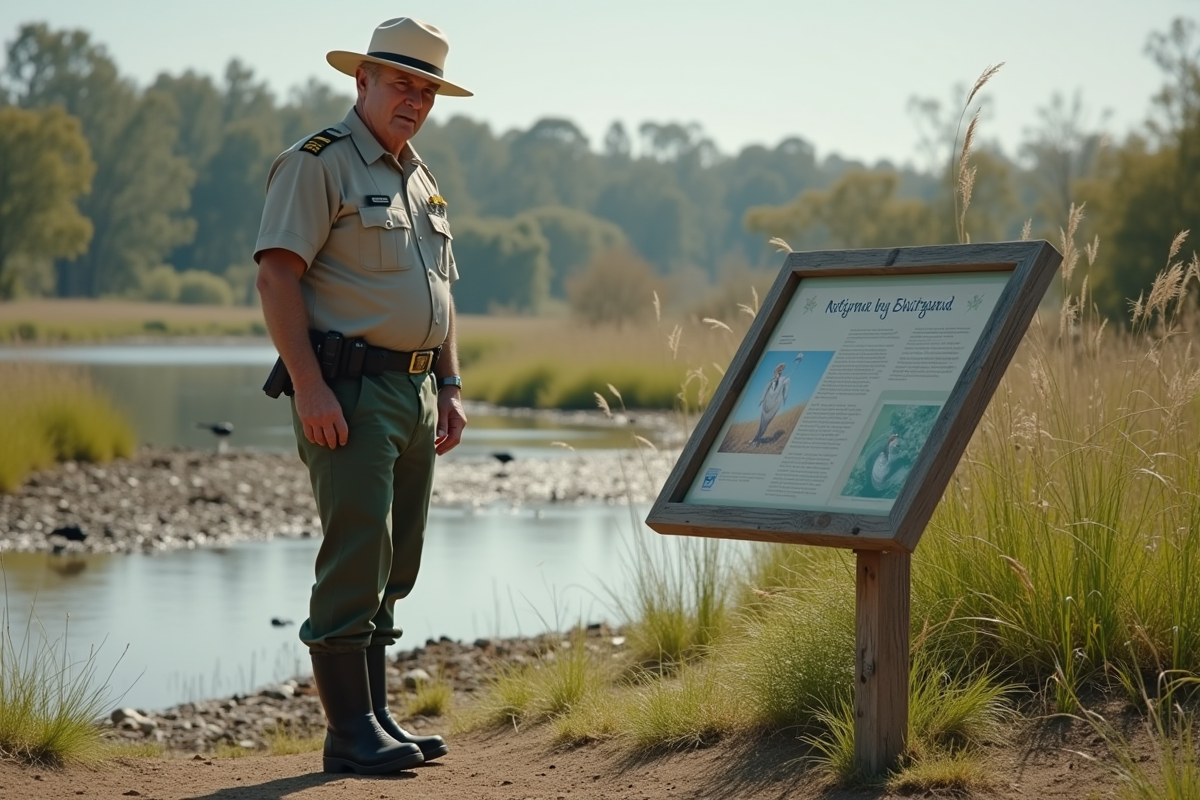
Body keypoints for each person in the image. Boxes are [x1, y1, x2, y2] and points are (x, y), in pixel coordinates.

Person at [253, 17, 471, 775]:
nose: (414, 100)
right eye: (401, 83)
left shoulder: (421, 179)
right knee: (355, 552)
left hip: (414, 390)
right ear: (363, 82)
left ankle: (375, 716)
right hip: (346, 388)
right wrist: (309, 387)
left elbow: (439, 291)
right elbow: (276, 275)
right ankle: (349, 734)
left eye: (427, 89)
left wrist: (448, 383)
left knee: (393, 558)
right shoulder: (319, 164)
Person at [755, 363, 789, 443]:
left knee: (767, 421)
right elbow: (765, 391)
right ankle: (757, 438)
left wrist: (784, 399)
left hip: (774, 404)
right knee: (762, 421)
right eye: (777, 371)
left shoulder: (784, 380)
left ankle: (758, 438)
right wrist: (761, 400)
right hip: (767, 403)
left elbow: (785, 391)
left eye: (780, 370)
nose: (778, 372)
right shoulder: (771, 381)